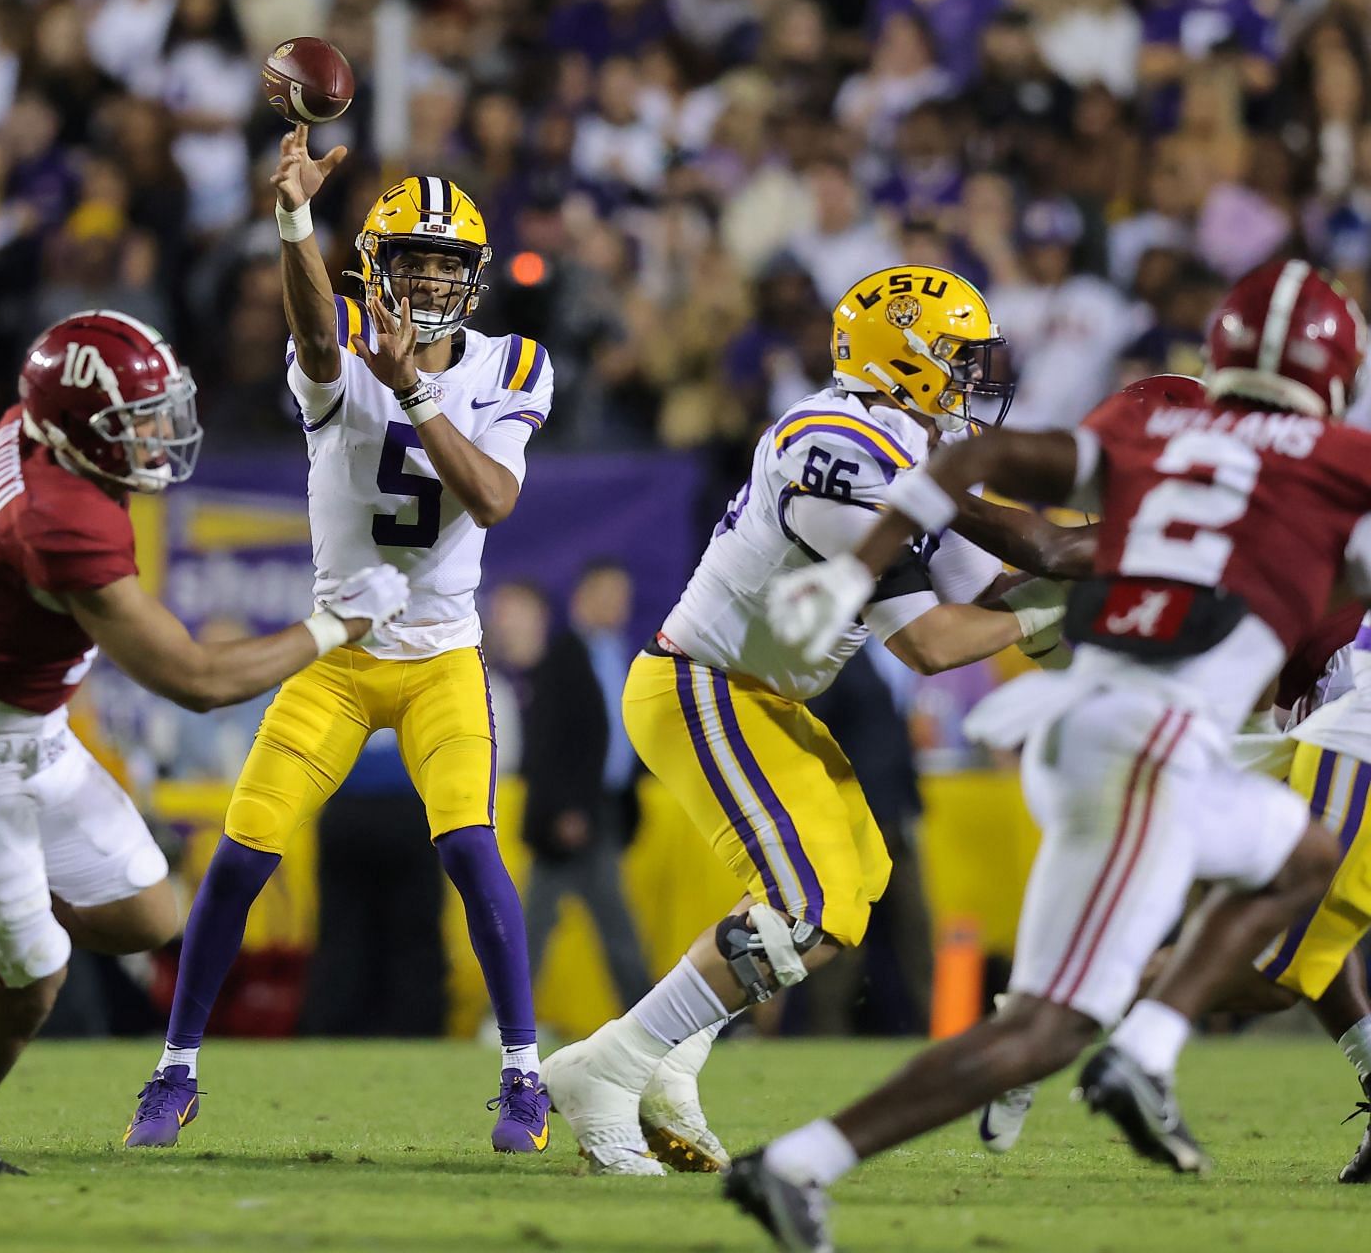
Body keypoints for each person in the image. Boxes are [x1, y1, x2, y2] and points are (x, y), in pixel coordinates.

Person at [739, 261, 1367, 1250]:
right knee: (1045, 1027)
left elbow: (974, 478)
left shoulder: (1149, 425)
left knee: (1299, 857)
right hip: (1151, 744)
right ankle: (797, 1161)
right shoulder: (1338, 459)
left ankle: (1146, 1050)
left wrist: (853, 572)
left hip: (1102, 725)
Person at [0, 310, 409, 1174]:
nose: (154, 435)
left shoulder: (25, 433)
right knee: (32, 983)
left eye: (153, 412)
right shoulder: (65, 518)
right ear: (71, 429)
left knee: (148, 913)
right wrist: (338, 624)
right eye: (129, 423)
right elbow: (197, 681)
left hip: (37, 733)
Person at [542, 264, 1086, 1176]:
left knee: (852, 887)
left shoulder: (908, 451)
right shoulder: (835, 447)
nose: (976, 375)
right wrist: (1057, 608)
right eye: (956, 356)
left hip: (758, 695)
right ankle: (610, 1067)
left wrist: (1098, 597)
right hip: (703, 685)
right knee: (805, 908)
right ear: (902, 359)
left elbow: (993, 587)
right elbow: (932, 644)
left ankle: (673, 1063)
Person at [123, 125, 555, 1154]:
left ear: (477, 277)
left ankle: (524, 1075)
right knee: (241, 850)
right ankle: (174, 1069)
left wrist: (414, 391)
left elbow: (491, 497)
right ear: (378, 267)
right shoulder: (343, 340)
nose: (436, 282)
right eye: (417, 261)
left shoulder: (513, 365)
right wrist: (292, 217)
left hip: (444, 651)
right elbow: (318, 340)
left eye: (452, 264)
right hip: (341, 653)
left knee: (469, 842)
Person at [979, 605, 1371, 1182]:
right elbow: (1269, 609)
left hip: (1314, 709)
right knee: (1273, 965)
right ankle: (1037, 1028)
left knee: (1297, 914)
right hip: (1345, 726)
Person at [517, 568, 654, 1011]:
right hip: (572, 815)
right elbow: (545, 740)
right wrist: (564, 809)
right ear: (582, 599)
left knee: (562, 920)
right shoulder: (562, 656)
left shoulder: (621, 654)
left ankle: (501, 1017)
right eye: (609, 594)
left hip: (607, 808)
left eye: (623, 595)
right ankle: (645, 1018)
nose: (619, 605)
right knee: (584, 922)